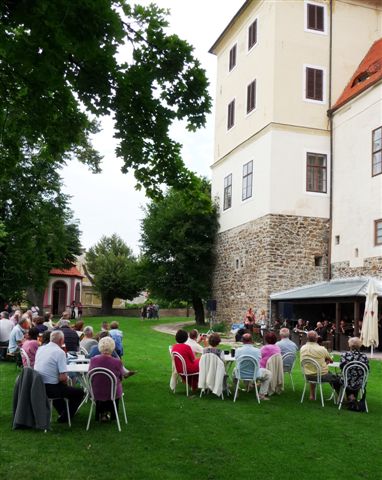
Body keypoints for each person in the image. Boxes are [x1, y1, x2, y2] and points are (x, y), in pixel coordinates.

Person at [34, 330, 84, 422]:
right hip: (50, 388)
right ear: (61, 340)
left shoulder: (41, 349)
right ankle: (65, 417)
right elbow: (63, 378)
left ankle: (64, 412)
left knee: (61, 387)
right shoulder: (59, 352)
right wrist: (66, 381)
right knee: (79, 392)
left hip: (38, 385)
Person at [89, 336, 125, 422]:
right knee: (114, 385)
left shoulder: (93, 360)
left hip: (96, 391)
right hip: (113, 391)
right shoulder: (117, 362)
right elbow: (121, 376)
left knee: (103, 385)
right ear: (113, 347)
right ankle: (110, 413)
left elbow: (90, 374)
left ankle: (102, 413)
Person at [300, 330, 340, 400]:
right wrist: (326, 362)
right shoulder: (322, 349)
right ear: (317, 338)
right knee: (337, 379)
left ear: (307, 338)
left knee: (314, 370)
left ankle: (312, 395)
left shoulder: (302, 348)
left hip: (307, 375)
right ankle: (342, 398)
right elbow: (331, 360)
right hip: (320, 376)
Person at [234, 333, 272, 401]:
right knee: (268, 374)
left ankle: (236, 393)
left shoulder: (238, 350)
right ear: (252, 340)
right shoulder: (257, 350)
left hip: (241, 373)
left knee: (234, 372)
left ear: (242, 341)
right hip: (255, 374)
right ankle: (261, 395)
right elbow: (259, 361)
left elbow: (236, 360)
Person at [340, 337, 369, 404]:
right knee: (355, 378)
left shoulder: (345, 355)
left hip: (347, 381)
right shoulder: (364, 356)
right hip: (360, 382)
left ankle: (350, 398)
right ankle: (352, 398)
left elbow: (342, 367)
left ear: (349, 345)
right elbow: (367, 369)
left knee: (338, 379)